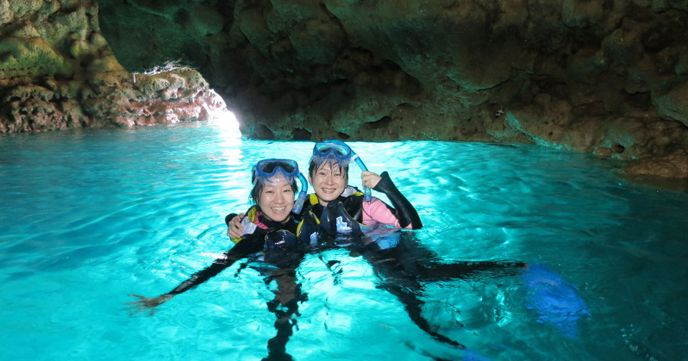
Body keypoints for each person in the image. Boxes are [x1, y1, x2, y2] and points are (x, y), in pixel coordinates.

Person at [228, 141, 526, 349]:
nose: (330, 181)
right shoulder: (300, 204)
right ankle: (447, 339)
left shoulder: (365, 204)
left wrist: (387, 187)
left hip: (387, 248)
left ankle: (513, 270)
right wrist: (233, 220)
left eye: (337, 173)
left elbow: (411, 226)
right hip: (362, 253)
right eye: (322, 173)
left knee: (419, 281)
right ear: (310, 177)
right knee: (409, 299)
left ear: (347, 176)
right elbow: (267, 215)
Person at [130, 159, 309, 361]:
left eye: (286, 190)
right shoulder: (254, 238)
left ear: (296, 195)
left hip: (290, 259)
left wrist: (230, 218)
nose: (279, 200)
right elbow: (215, 267)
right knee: (288, 298)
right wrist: (168, 295)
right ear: (256, 197)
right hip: (276, 269)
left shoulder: (306, 215)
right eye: (269, 191)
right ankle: (277, 352)